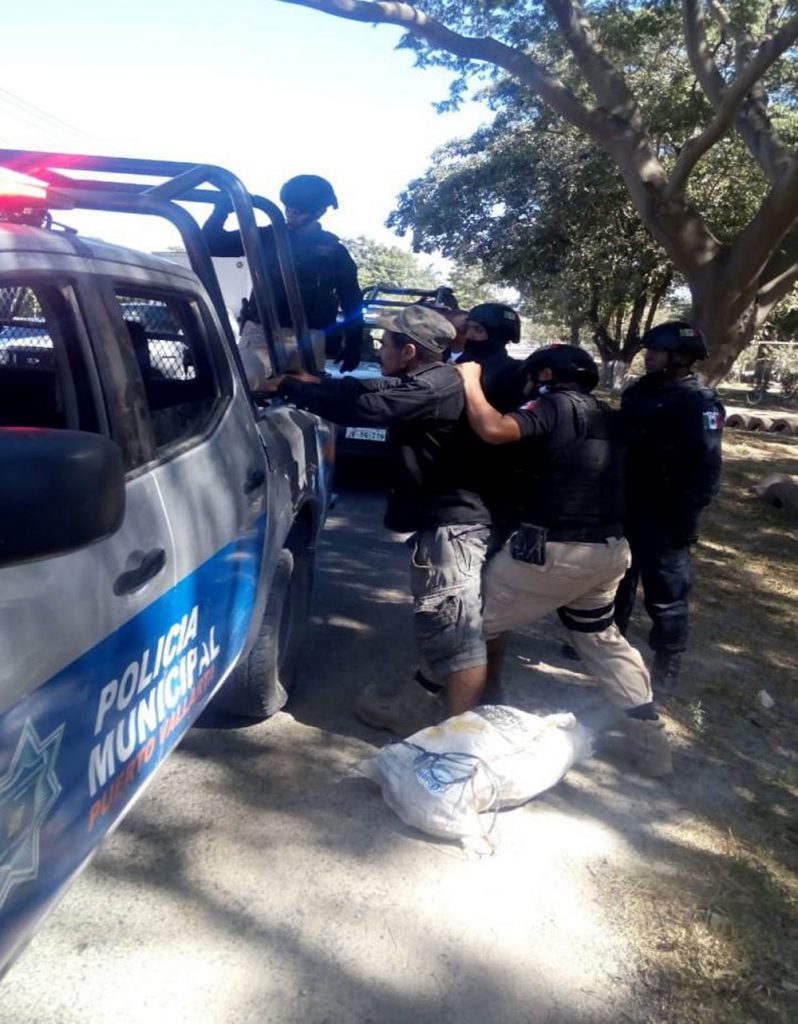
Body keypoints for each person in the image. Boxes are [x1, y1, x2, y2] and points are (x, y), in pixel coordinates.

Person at [268, 305, 496, 736]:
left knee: (459, 639)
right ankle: (419, 713)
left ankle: (455, 743)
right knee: (442, 625)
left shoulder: (435, 387)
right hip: (446, 523)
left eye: (385, 343)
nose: (380, 349)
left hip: (453, 527)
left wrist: (290, 388)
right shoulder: (430, 379)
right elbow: (369, 386)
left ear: (408, 351)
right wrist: (313, 382)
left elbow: (369, 407)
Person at [456, 345, 673, 778]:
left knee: (468, 625)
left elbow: (494, 429)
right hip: (607, 551)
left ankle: (423, 710)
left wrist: (469, 381)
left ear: (546, 375)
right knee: (600, 640)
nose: (527, 383)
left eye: (532, 375)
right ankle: (652, 744)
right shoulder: (606, 415)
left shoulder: (554, 405)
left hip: (553, 552)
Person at [615, 321, 724, 692]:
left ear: (681, 357)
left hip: (667, 512)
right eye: (650, 350)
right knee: (615, 580)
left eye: (658, 351)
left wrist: (686, 515)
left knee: (667, 592)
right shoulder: (640, 391)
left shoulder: (699, 402)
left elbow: (706, 466)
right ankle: (608, 645)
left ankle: (667, 661)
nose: (649, 357)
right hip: (627, 503)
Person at [203, 174, 363, 387]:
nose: (289, 214)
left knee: (307, 397)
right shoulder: (266, 237)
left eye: (297, 211)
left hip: (310, 336)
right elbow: (211, 244)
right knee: (249, 387)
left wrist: (354, 342)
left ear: (319, 212)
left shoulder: (334, 251)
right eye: (287, 208)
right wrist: (221, 210)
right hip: (261, 330)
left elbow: (351, 298)